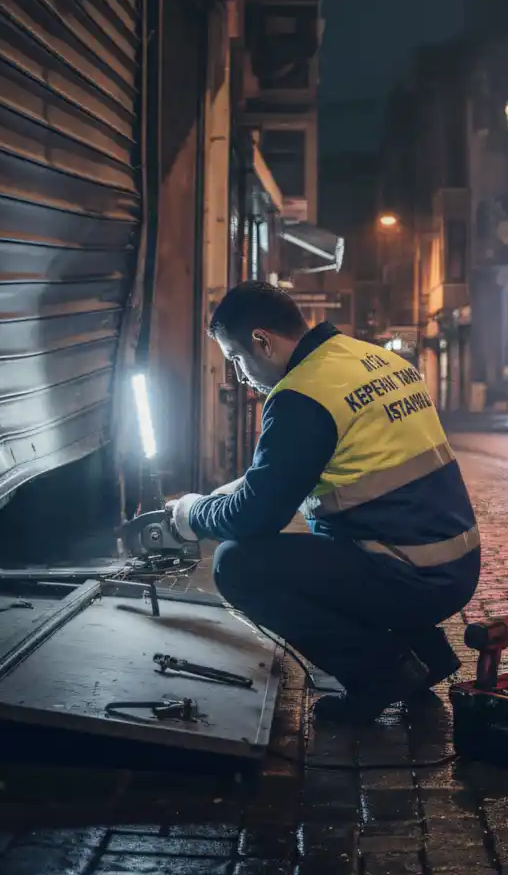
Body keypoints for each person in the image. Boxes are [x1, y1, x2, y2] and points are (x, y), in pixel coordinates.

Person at [166, 281, 481, 723]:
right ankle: (426, 653)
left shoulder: (301, 395)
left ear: (262, 341)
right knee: (332, 538)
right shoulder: (367, 358)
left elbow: (257, 518)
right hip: (453, 565)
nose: (239, 375)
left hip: (411, 578)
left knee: (236, 564)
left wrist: (191, 513)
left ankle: (379, 675)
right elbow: (304, 464)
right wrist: (237, 487)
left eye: (236, 358)